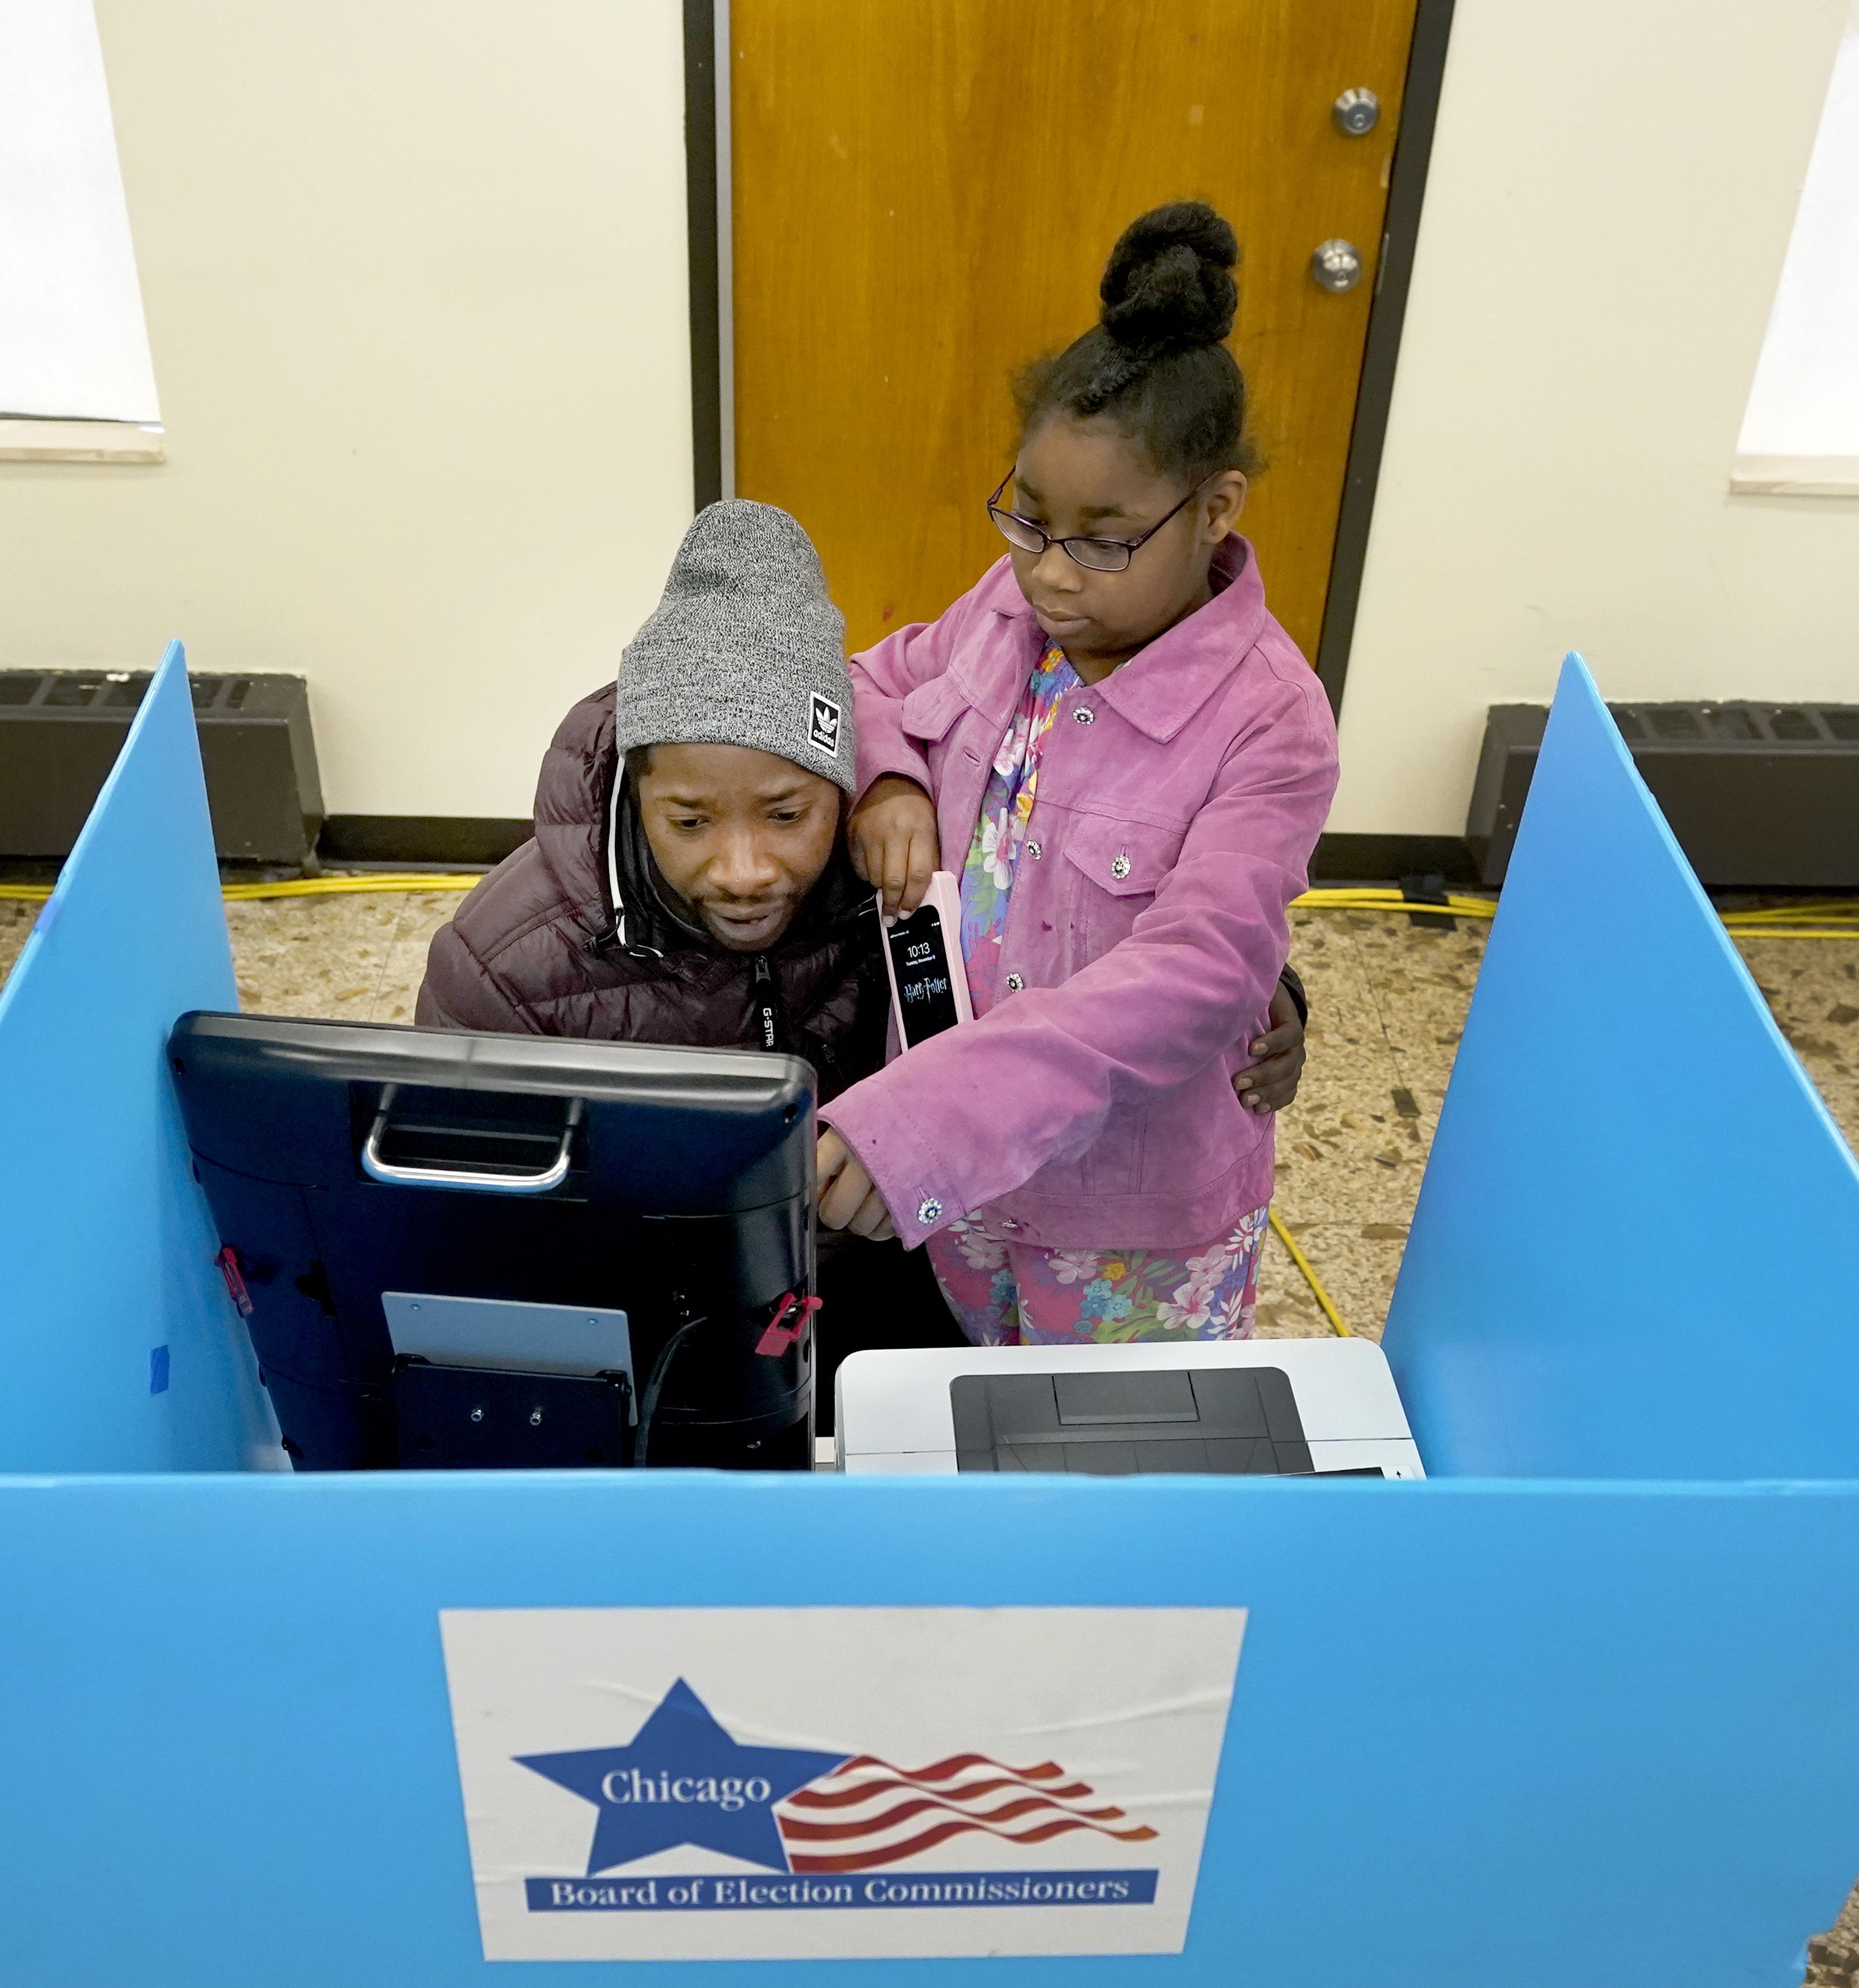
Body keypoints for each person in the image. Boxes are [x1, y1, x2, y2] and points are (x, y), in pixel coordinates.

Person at [414, 498, 1310, 1410]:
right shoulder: (501, 966)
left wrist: (1262, 996)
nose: (744, 871)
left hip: (904, 1297)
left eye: (787, 814)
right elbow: (475, 1245)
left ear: (842, 786)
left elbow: (1072, 936)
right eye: (689, 821)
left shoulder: (905, 882)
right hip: (654, 1337)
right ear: (635, 792)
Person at [814, 201, 1342, 1346]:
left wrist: (931, 1117)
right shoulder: (1010, 606)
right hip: (969, 1185)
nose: (1049, 576)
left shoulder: (1271, 721)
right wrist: (889, 781)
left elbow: (1197, 975)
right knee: (969, 1427)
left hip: (1127, 1225)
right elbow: (873, 677)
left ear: (1213, 510)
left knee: (1112, 1471)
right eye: (1028, 521)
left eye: (1101, 538)